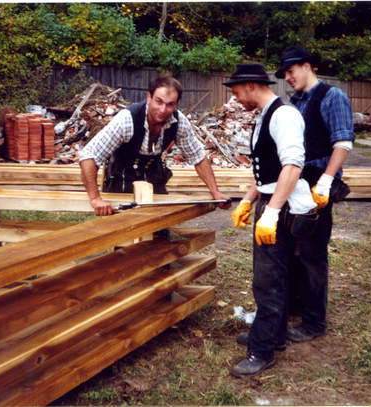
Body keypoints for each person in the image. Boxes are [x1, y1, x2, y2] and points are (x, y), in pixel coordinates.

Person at [225, 63, 317, 378]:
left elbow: (292, 166)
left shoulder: (284, 115)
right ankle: (273, 336)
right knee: (274, 276)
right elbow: (269, 169)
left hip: (285, 208)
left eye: (237, 92)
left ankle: (261, 352)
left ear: (251, 85)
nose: (236, 98)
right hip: (273, 202)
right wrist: (248, 200)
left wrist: (273, 212)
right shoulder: (267, 115)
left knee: (268, 281)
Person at [274, 46, 355, 342]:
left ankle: (314, 322)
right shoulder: (294, 103)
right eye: (285, 74)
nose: (288, 78)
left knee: (312, 253)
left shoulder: (332, 97)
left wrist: (326, 180)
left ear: (307, 66)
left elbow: (343, 142)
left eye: (291, 71)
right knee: (294, 248)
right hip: (297, 185)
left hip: (317, 188)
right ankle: (298, 306)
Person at [79, 73, 231, 216]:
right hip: (121, 177)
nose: (163, 110)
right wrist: (95, 198)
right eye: (159, 102)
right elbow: (89, 156)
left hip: (154, 175)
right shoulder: (126, 120)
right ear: (149, 97)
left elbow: (198, 157)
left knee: (160, 228)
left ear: (177, 104)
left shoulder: (179, 122)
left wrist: (215, 192)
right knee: (124, 233)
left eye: (170, 104)